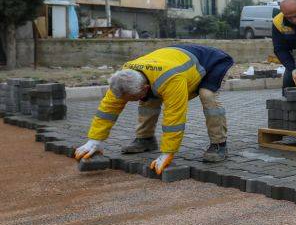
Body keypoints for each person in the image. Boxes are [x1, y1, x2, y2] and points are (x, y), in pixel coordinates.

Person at [74, 44, 234, 174]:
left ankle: (219, 144)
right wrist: (95, 140)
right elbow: (107, 109)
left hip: (212, 62)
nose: (129, 103)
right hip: (175, 59)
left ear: (144, 87)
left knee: (207, 95)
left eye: (133, 98)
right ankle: (145, 139)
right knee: (148, 99)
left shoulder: (172, 80)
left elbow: (174, 118)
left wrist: (168, 153)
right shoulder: (124, 76)